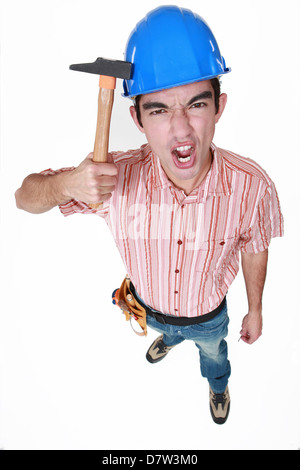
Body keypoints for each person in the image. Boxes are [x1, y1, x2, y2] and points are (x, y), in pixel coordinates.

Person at [15, 5, 283, 425]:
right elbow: (23, 197)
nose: (181, 130)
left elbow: (254, 247)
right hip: (149, 308)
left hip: (211, 318)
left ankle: (217, 385)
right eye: (158, 110)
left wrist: (255, 308)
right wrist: (67, 184)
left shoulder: (253, 186)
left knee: (214, 355)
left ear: (219, 107)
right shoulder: (111, 179)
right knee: (166, 329)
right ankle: (169, 338)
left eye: (196, 104)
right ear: (136, 118)